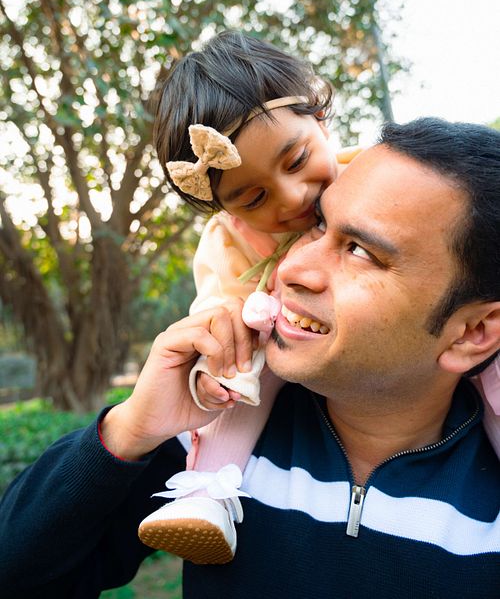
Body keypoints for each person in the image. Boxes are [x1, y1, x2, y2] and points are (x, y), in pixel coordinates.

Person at [0, 117, 499, 599]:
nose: (291, 266)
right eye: (317, 225)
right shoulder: (206, 444)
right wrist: (130, 429)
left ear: (473, 332)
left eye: (360, 251)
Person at [138, 30, 351, 564]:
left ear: (321, 121)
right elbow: (217, 308)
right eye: (253, 198)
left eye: (297, 160)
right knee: (241, 360)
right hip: (286, 336)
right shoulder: (229, 241)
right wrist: (215, 361)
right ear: (224, 209)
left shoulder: (372, 179)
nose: (293, 196)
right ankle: (206, 493)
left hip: (388, 335)